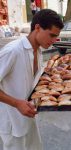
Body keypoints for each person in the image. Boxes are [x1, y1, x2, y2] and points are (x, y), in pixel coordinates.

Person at [0, 9, 64, 150]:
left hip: (29, 117)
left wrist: (51, 74)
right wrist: (16, 103)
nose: (54, 41)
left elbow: (29, 80)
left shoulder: (39, 50)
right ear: (37, 28)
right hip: (12, 123)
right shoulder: (13, 51)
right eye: (52, 35)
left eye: (56, 36)